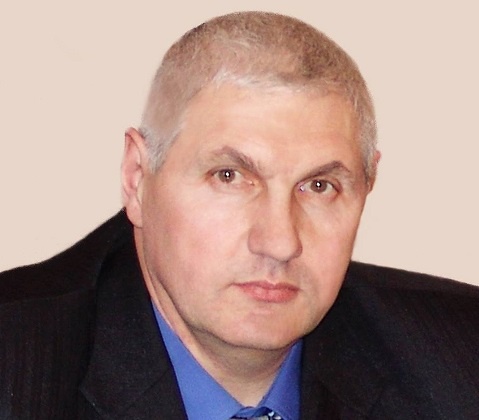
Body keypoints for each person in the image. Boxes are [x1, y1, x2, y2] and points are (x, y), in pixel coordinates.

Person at [0, 11, 478, 420]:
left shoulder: (462, 361)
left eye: (319, 186)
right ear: (137, 178)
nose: (280, 242)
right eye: (229, 176)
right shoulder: (18, 367)